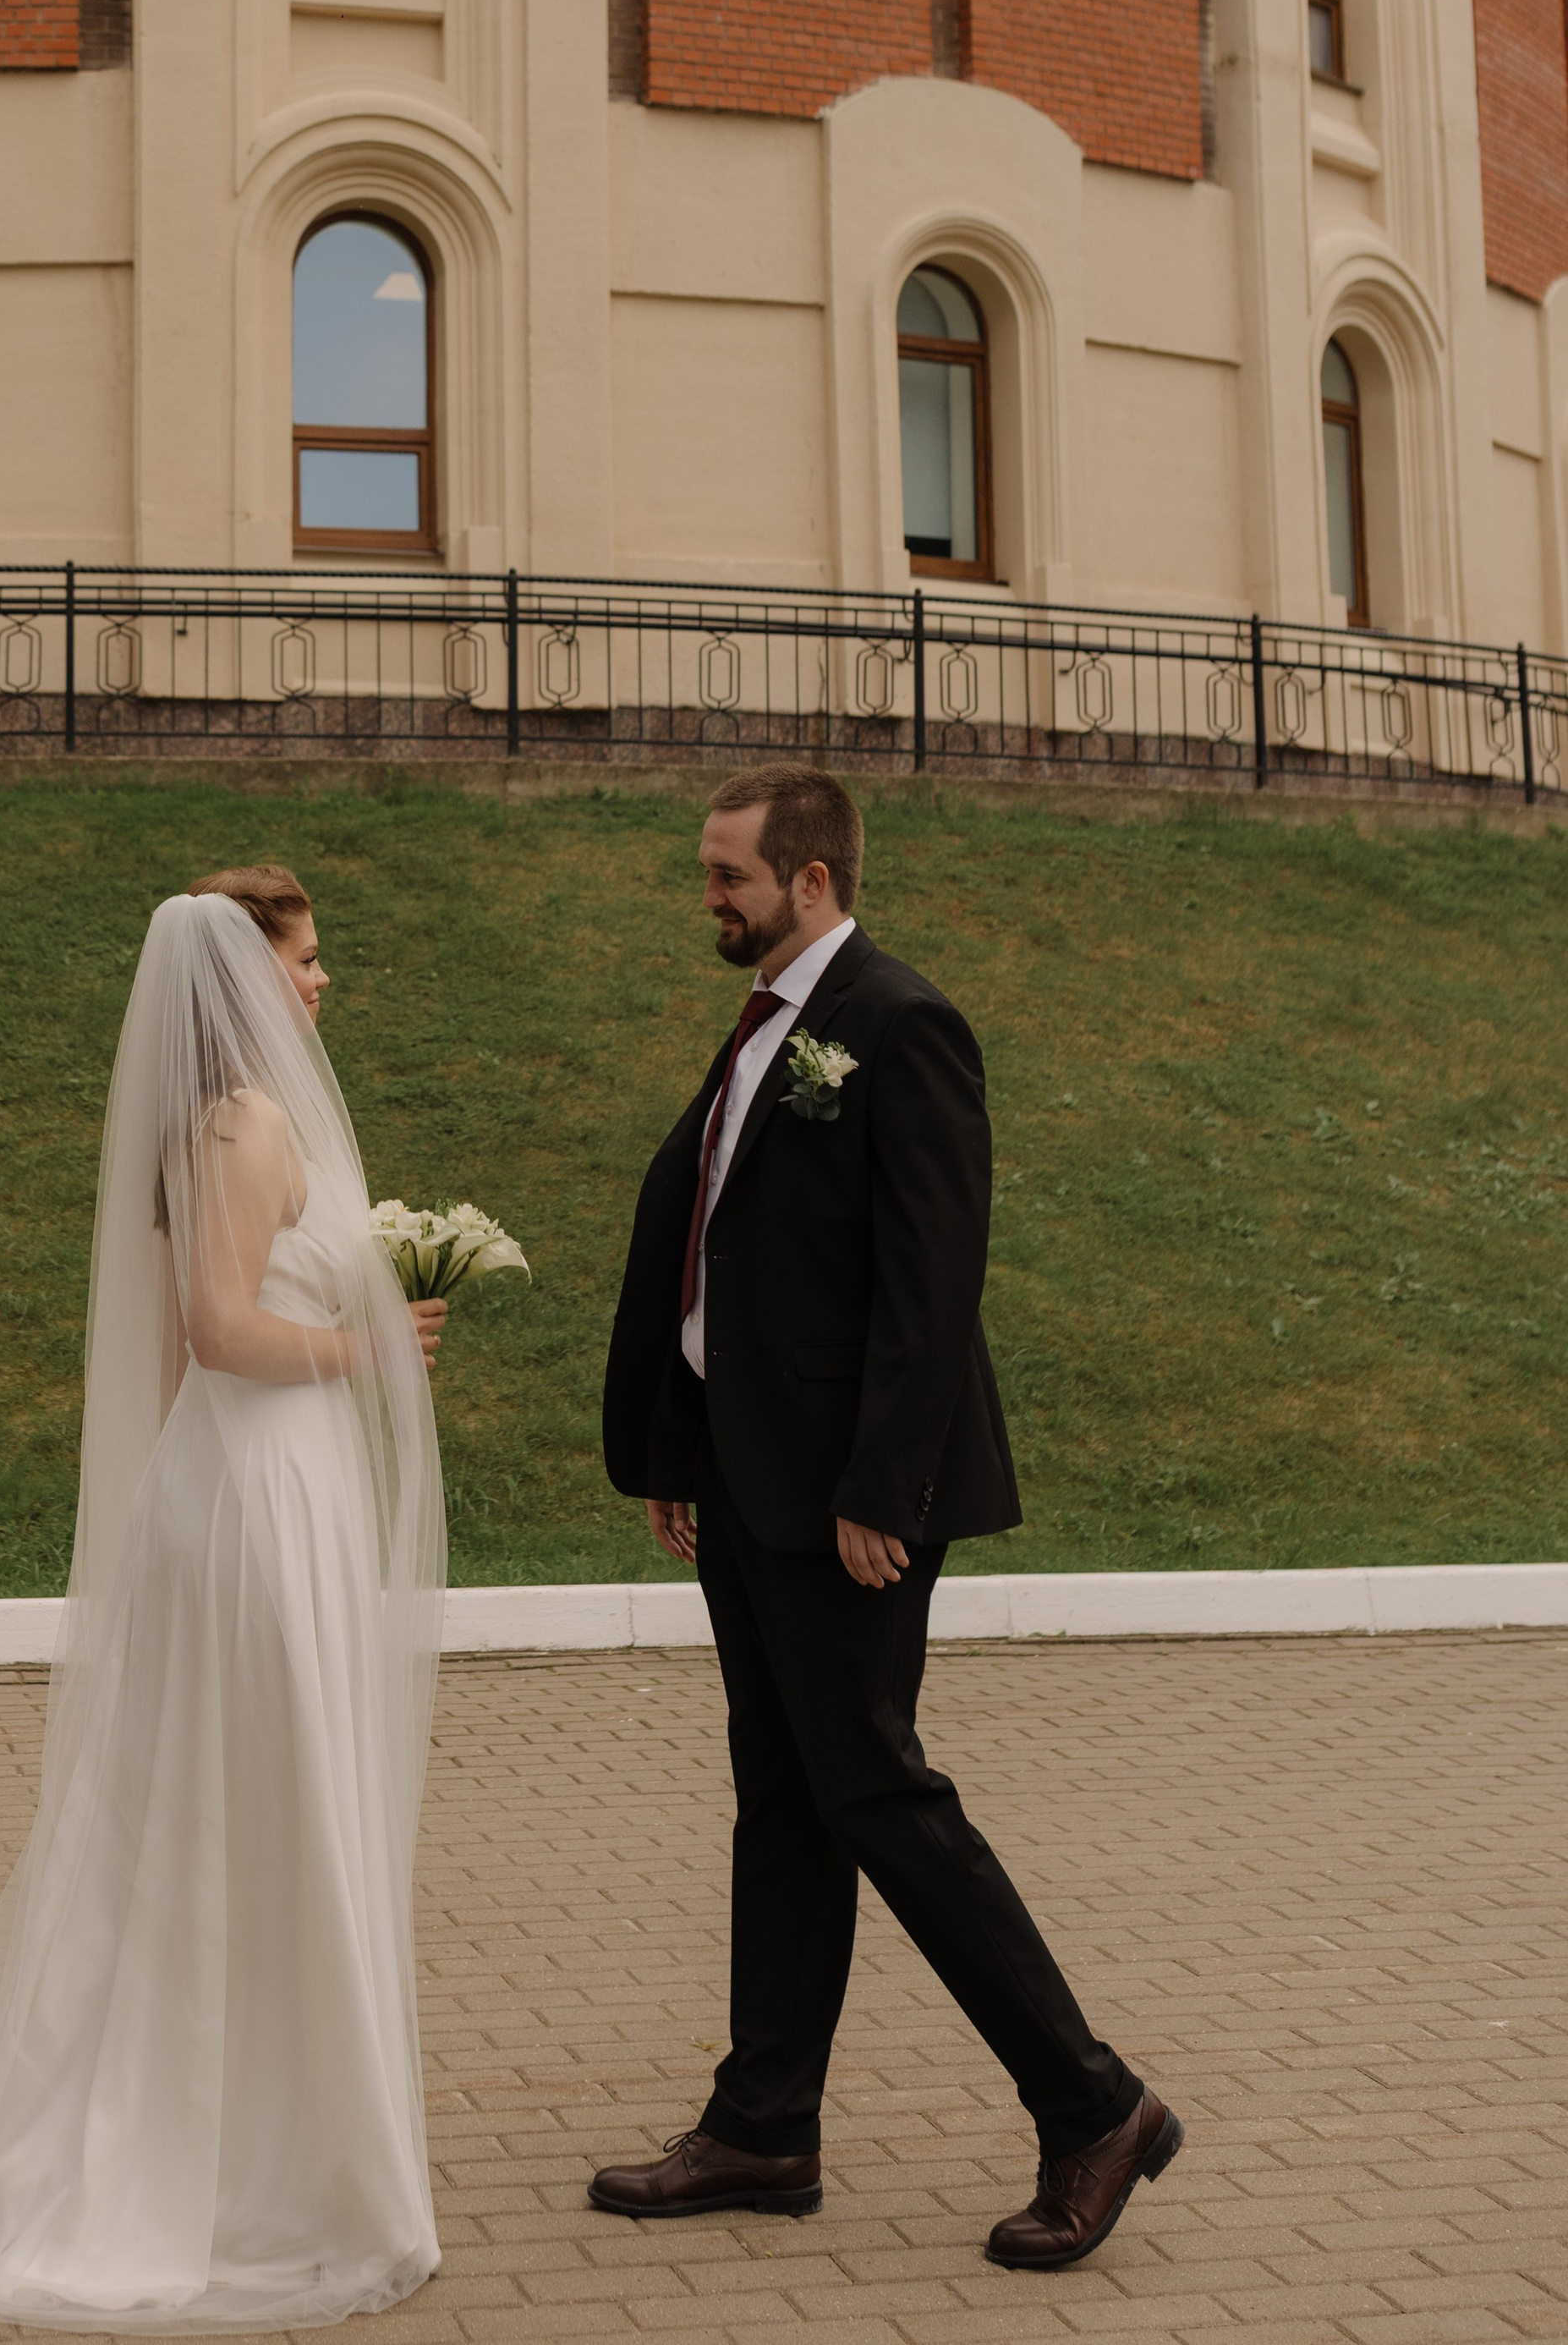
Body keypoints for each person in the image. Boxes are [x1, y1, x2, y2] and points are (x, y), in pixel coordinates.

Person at [0, 865, 449, 2331]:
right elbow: (217, 1332)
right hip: (261, 1488)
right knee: (264, 1807)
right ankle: (266, 2168)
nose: (323, 979)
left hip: (254, 1483)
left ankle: (269, 2133)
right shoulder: (245, 1122)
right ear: (247, 978)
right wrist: (374, 1347)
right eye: (306, 959)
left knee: (232, 1807)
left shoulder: (221, 1121)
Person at [591, 766, 1181, 2271]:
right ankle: (764, 2125)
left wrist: (883, 1491)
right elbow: (723, 1248)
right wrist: (676, 1451)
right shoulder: (764, 1028)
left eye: (727, 875)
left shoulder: (902, 1024)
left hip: (844, 1500)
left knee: (876, 1793)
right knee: (786, 1800)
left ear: (812, 879)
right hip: (747, 1481)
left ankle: (1095, 2105)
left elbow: (933, 1277)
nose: (707, 896)